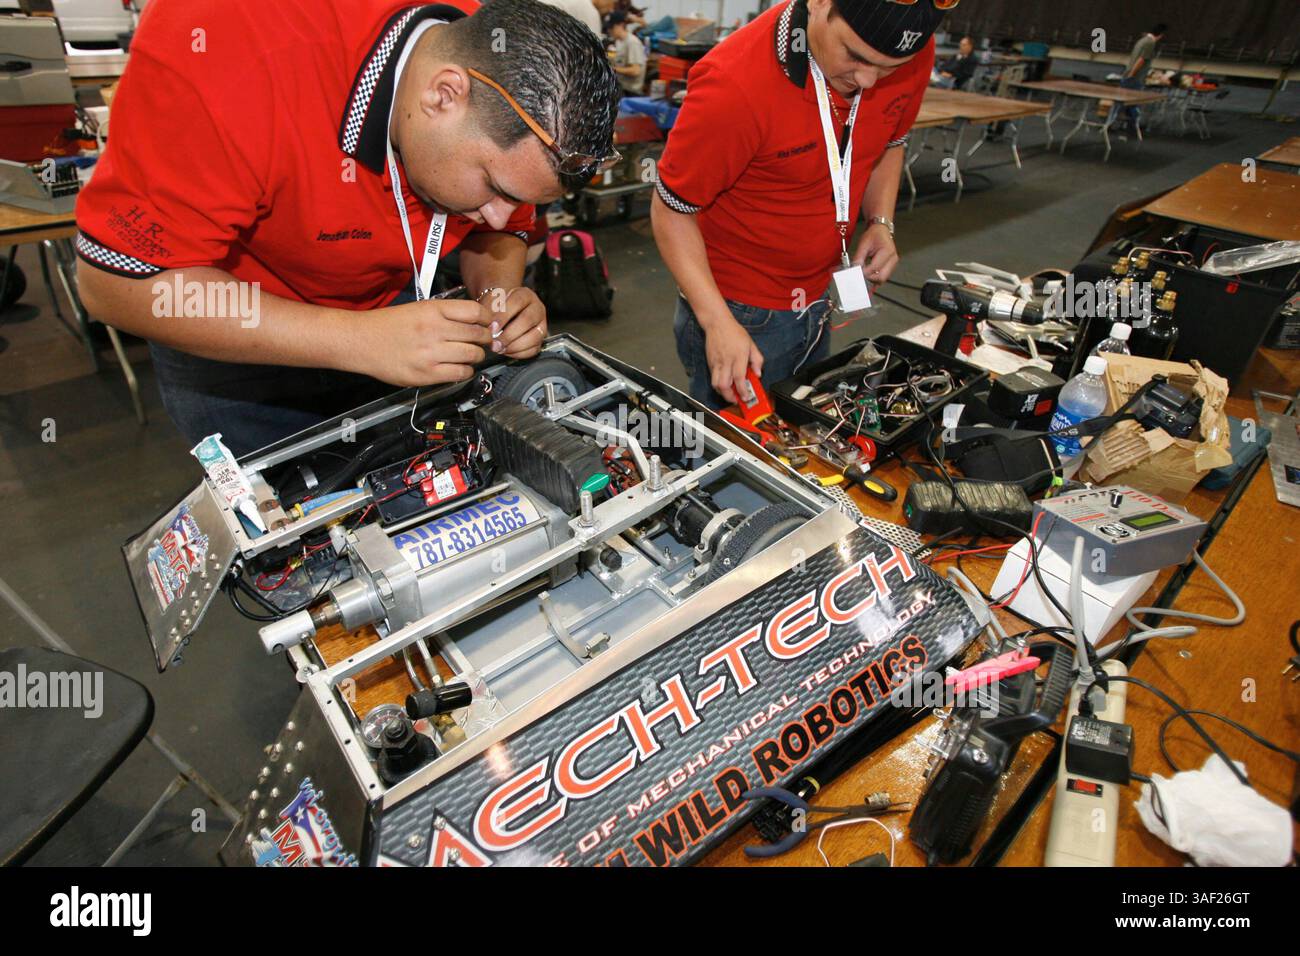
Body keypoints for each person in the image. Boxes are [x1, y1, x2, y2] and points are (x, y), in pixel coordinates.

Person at [75, 0, 619, 456]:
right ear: (443, 95)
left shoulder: (493, 54)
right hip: (240, 347)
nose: (507, 217)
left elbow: (498, 231)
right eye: (496, 189)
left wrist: (501, 292)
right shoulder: (224, 54)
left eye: (519, 201)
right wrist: (354, 339)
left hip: (394, 325)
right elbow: (117, 285)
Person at [651, 0, 943, 408]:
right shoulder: (734, 84)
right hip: (740, 311)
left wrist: (880, 220)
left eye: (889, 68)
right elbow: (670, 209)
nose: (869, 81)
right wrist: (716, 322)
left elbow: (890, 140)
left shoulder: (907, 50)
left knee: (798, 428)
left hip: (819, 293)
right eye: (855, 56)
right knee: (734, 450)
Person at [1119, 23, 1166, 132]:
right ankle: (1133, 126)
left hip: (1129, 74)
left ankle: (1120, 124)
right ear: (1161, 35)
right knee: (1133, 103)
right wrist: (1132, 74)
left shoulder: (1142, 40)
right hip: (1136, 77)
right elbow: (1141, 60)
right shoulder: (1150, 43)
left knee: (1124, 102)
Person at [609, 11, 647, 95]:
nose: (609, 31)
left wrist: (612, 69)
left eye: (612, 28)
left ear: (621, 25)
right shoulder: (619, 42)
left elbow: (635, 71)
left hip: (630, 90)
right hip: (620, 85)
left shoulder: (632, 42)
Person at [539, 0, 615, 36]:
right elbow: (595, 45)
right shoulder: (589, 9)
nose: (610, 9)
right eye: (611, 3)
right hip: (541, 25)